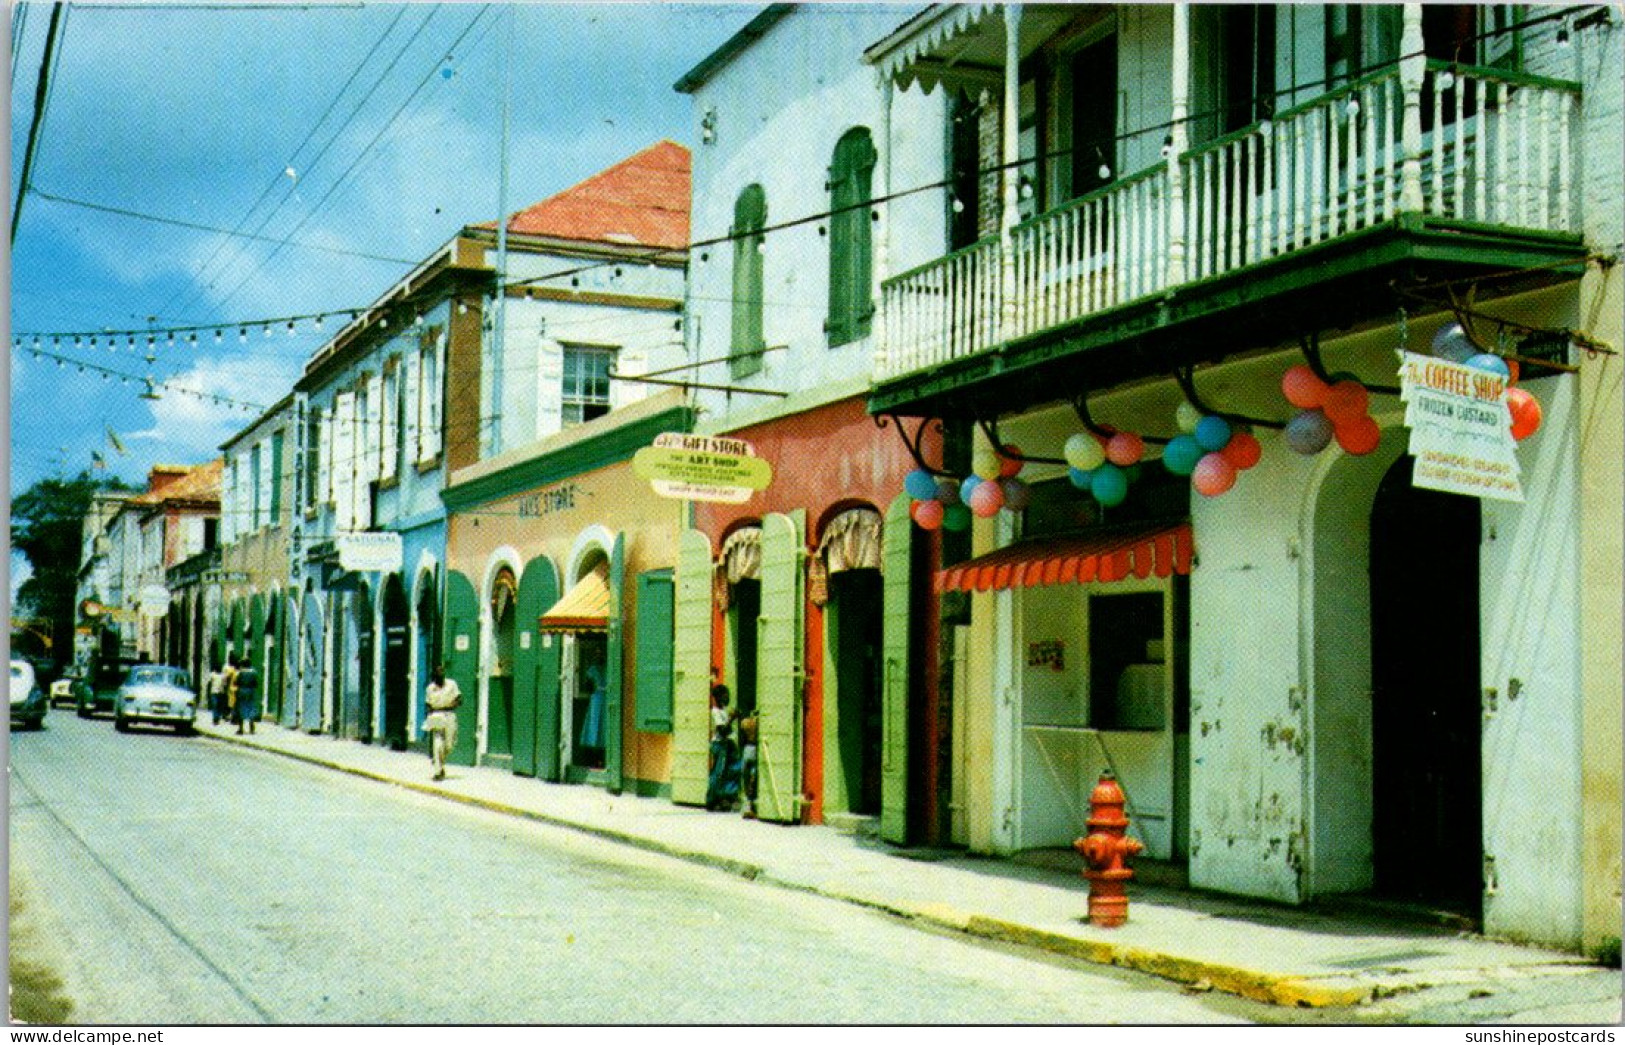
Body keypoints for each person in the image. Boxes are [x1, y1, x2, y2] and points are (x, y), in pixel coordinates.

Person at [705, 683, 740, 811]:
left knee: (733, 770)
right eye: (724, 696)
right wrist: (731, 719)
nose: (727, 698)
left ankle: (726, 797)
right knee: (718, 772)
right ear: (717, 697)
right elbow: (722, 731)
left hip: (728, 744)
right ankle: (711, 799)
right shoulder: (715, 712)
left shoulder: (723, 711)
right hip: (720, 745)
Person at [424, 664, 461, 781]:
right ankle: (438, 771)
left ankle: (438, 760)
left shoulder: (452, 684)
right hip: (437, 715)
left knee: (450, 744)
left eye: (442, 671)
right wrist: (430, 717)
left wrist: (451, 704)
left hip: (449, 714)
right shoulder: (430, 688)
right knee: (437, 743)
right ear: (434, 674)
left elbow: (459, 699)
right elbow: (428, 703)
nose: (441, 674)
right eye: (438, 672)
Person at [738, 709, 759, 819]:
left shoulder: (744, 723)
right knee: (753, 778)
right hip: (755, 748)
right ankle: (751, 806)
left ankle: (746, 806)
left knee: (745, 779)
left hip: (747, 749)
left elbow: (741, 738)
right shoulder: (758, 723)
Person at [232, 655, 261, 735]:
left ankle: (241, 729)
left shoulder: (241, 672)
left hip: (241, 691)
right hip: (251, 691)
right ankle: (252, 728)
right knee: (251, 709)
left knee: (240, 709)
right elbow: (256, 683)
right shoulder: (254, 672)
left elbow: (237, 682)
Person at [205, 660, 229, 725]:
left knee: (218, 706)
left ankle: (217, 718)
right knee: (215, 705)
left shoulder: (223, 676)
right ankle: (215, 718)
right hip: (214, 692)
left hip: (220, 692)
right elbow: (209, 683)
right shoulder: (212, 675)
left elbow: (225, 684)